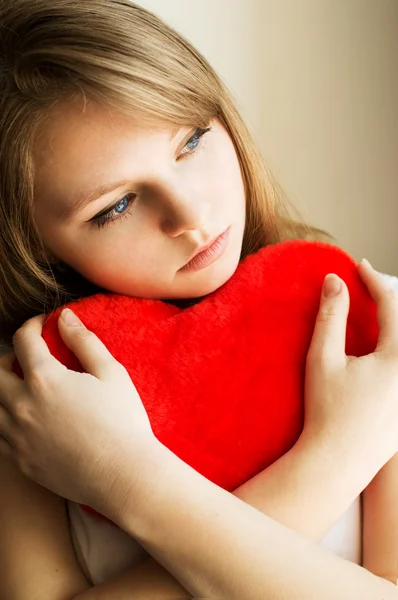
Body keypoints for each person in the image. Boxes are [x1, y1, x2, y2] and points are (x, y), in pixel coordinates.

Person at [0, 1, 397, 598]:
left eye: (191, 141)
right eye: (116, 206)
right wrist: (339, 455)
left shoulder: (367, 323)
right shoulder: (33, 398)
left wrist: (131, 483)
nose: (191, 214)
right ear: (33, 245)